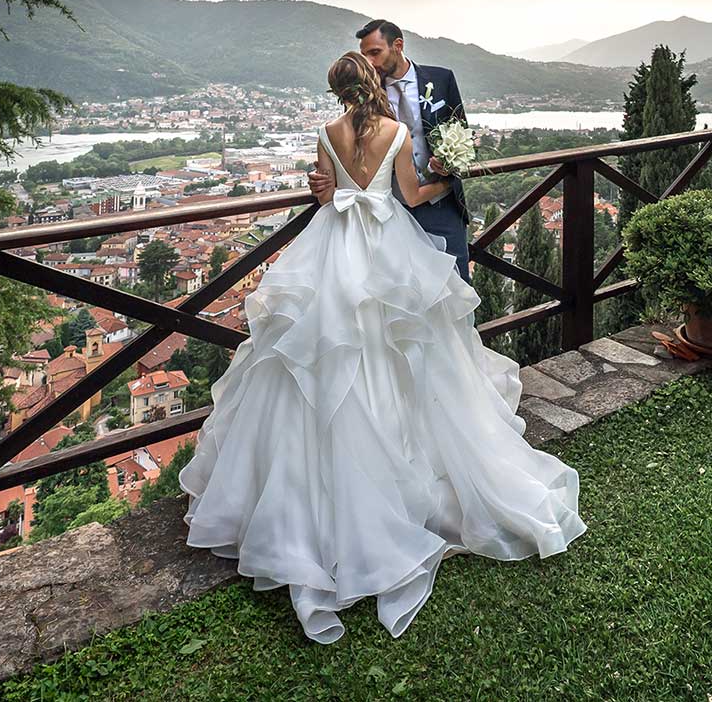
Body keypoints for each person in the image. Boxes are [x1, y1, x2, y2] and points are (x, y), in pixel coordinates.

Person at [179, 51, 586, 644]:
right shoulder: (396, 132)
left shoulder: (327, 133)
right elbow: (412, 198)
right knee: (402, 351)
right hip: (389, 249)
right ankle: (402, 471)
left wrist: (331, 185)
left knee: (324, 354)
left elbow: (325, 200)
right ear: (373, 84)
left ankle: (321, 494)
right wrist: (447, 176)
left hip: (333, 248)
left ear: (336, 93)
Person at [310, 19, 473, 282]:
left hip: (440, 206)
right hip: (388, 214)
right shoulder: (366, 89)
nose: (370, 61)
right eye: (364, 55)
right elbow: (353, 148)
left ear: (397, 45)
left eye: (375, 52)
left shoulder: (442, 79)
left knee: (454, 284)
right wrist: (321, 177)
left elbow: (463, 135)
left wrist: (450, 171)